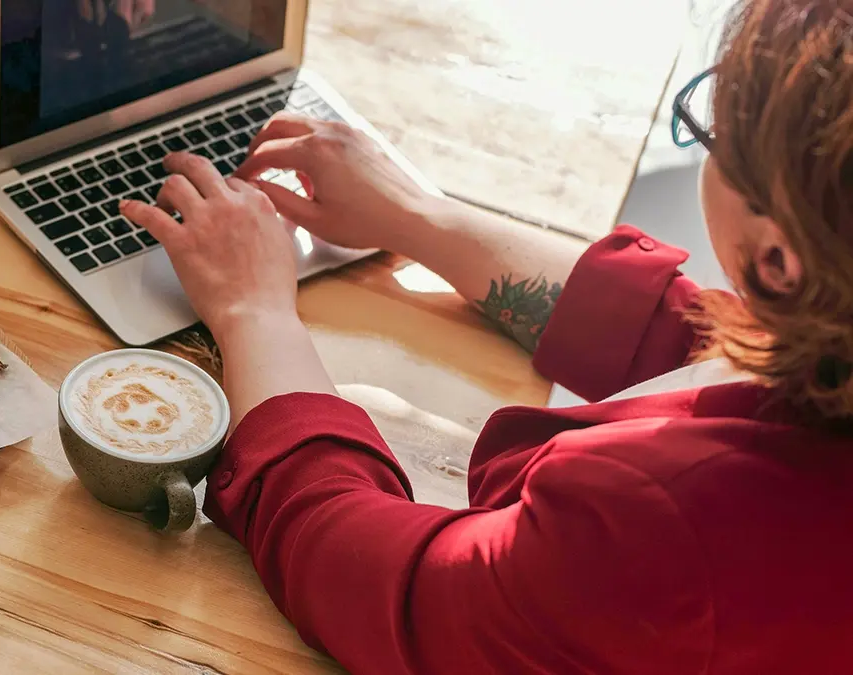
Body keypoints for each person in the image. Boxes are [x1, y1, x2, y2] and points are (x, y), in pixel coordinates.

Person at [119, 0, 853, 671]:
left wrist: (256, 312)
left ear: (777, 261)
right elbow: (707, 345)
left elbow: (388, 588)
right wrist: (417, 216)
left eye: (713, 126)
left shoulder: (659, 518)